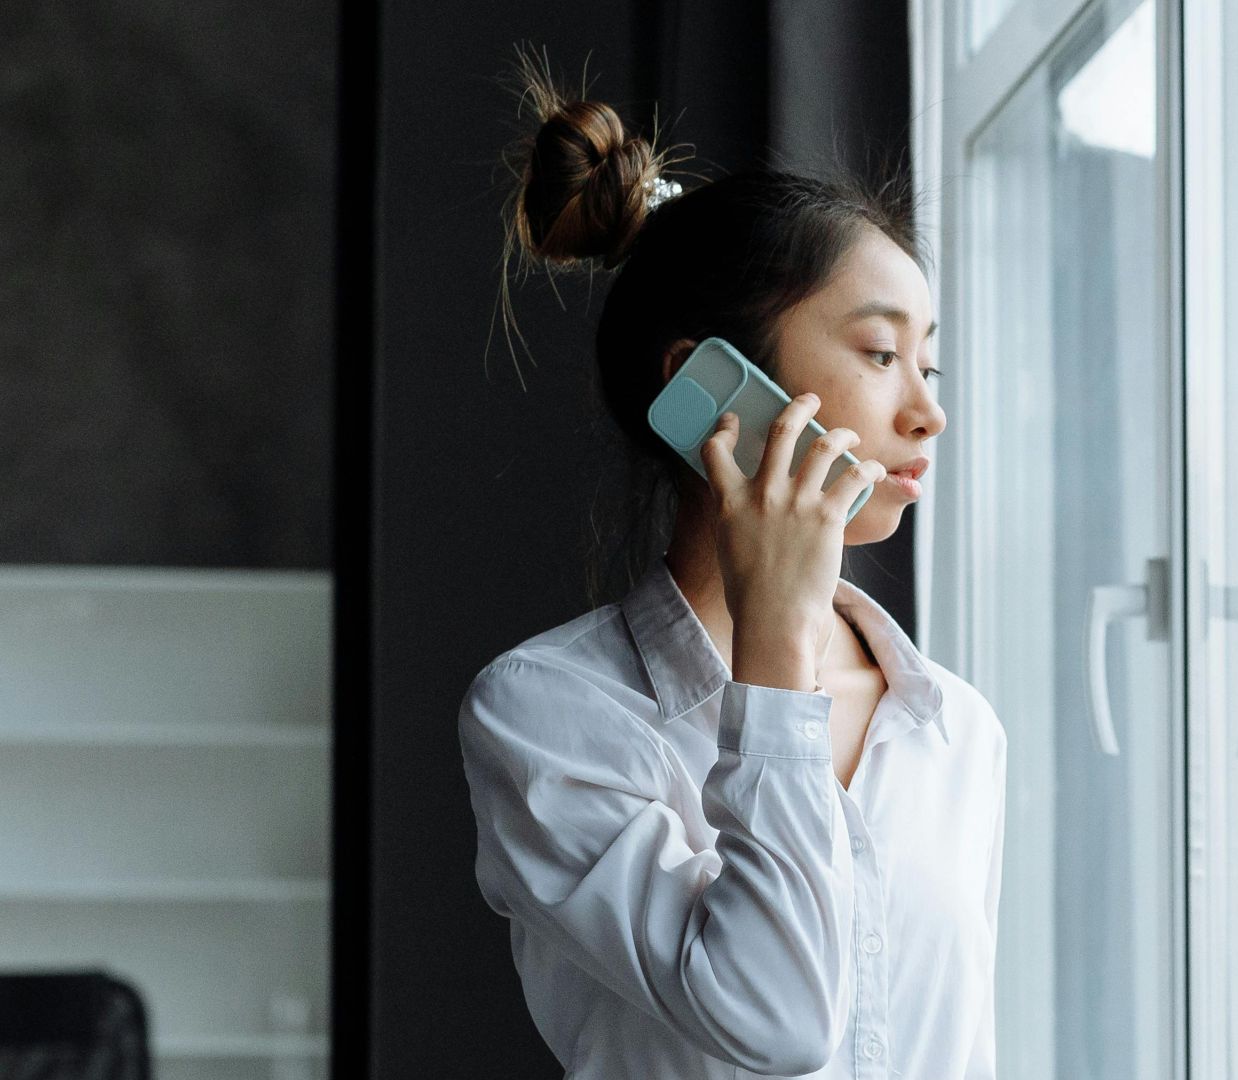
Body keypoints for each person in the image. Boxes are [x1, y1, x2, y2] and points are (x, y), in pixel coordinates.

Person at [456, 48, 1007, 1079]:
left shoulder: (953, 731)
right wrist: (778, 650)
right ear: (710, 385)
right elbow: (777, 1020)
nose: (929, 410)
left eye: (930, 363)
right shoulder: (547, 716)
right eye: (882, 356)